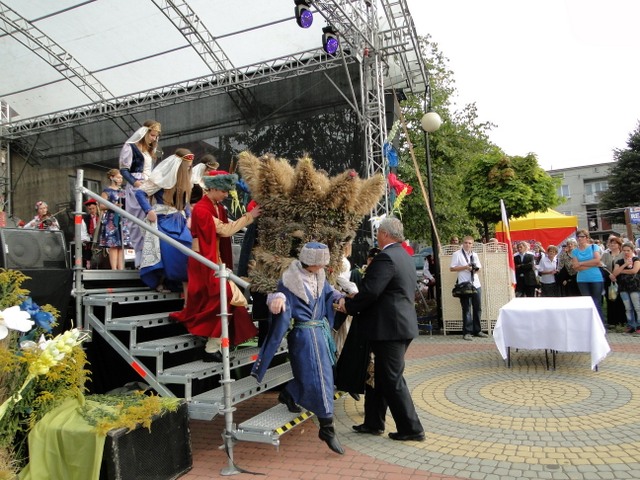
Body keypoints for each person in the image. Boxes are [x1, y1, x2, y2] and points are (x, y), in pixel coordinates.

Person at [252, 242, 344, 454]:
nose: (324, 266)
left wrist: (339, 296)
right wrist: (276, 299)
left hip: (319, 334)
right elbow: (277, 294)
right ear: (310, 262)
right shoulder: (290, 280)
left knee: (319, 376)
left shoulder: (319, 276)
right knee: (319, 378)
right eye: (321, 263)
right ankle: (327, 427)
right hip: (303, 336)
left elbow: (328, 293)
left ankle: (289, 394)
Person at [339, 217, 425, 442]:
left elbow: (371, 291)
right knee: (379, 375)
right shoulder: (404, 255)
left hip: (390, 329)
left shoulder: (386, 257)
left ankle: (412, 428)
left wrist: (349, 306)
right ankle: (373, 422)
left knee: (391, 378)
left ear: (386, 234)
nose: (377, 236)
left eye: (378, 232)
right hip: (397, 325)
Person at [169, 170, 259, 362]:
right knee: (223, 299)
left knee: (224, 300)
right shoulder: (202, 210)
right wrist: (249, 216)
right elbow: (225, 230)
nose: (226, 194)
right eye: (224, 191)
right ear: (214, 188)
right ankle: (211, 347)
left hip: (212, 261)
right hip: (204, 262)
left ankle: (214, 345)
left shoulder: (217, 207)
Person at [135, 148, 193, 293]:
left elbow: (185, 202)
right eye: (187, 166)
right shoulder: (162, 178)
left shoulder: (186, 181)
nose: (189, 169)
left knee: (188, 247)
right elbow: (140, 193)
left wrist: (189, 216)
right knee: (167, 249)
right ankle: (160, 281)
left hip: (180, 221)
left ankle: (177, 283)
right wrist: (149, 210)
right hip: (163, 220)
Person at [119, 120, 162, 267]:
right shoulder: (130, 146)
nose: (154, 138)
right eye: (152, 135)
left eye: (156, 136)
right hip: (137, 186)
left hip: (150, 186)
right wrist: (135, 183)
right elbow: (124, 170)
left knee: (150, 218)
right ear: (145, 133)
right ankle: (139, 254)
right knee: (137, 219)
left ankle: (151, 255)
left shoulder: (149, 150)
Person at [450, 235, 486, 341]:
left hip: (476, 284)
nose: (467, 245)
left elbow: (479, 269)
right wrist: (465, 267)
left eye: (470, 243)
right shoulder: (457, 254)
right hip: (464, 285)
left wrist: (474, 269)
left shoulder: (474, 255)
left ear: (472, 245)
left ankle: (477, 330)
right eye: (466, 243)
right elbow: (452, 268)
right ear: (462, 243)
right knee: (466, 309)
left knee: (477, 308)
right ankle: (467, 332)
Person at [571, 229, 604, 323]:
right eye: (578, 237)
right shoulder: (575, 251)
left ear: (587, 238)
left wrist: (581, 263)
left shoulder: (594, 247)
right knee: (587, 302)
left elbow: (597, 260)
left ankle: (600, 324)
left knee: (596, 302)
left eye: (582, 236)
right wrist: (592, 264)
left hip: (596, 278)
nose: (579, 238)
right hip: (582, 279)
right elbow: (575, 267)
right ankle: (590, 323)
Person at [99, 169, 130, 270]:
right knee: (113, 244)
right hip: (112, 219)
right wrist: (113, 206)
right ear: (112, 178)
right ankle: (114, 268)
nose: (120, 179)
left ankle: (121, 268)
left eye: (121, 178)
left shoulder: (122, 191)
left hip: (122, 218)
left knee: (121, 244)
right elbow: (101, 206)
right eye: (118, 177)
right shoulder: (107, 191)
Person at [612, 242, 640, 335]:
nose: (626, 252)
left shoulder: (636, 259)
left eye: (628, 250)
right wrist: (624, 265)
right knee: (628, 308)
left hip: (635, 287)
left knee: (637, 307)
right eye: (624, 250)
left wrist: (621, 271)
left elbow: (634, 271)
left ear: (632, 250)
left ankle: (639, 326)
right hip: (623, 287)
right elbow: (614, 273)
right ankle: (631, 326)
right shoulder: (619, 261)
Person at [601, 236, 626, 327]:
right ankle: (612, 321)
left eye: (614, 243)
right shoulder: (605, 255)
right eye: (611, 243)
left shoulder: (623, 254)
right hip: (609, 279)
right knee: (610, 299)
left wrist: (616, 275)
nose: (612, 245)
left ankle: (622, 321)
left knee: (620, 299)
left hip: (620, 279)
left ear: (619, 245)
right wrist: (610, 275)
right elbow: (602, 266)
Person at [81, 199, 101, 269]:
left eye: (93, 208)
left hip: (101, 239)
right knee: (88, 251)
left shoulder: (102, 217)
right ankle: (89, 266)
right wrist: (88, 239)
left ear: (97, 207)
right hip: (90, 240)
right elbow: (83, 232)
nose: (92, 210)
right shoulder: (85, 219)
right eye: (90, 209)